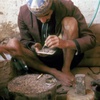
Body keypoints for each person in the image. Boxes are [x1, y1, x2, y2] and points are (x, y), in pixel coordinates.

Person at [3, 0, 96, 86]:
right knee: (13, 44)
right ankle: (54, 72)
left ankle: (66, 70)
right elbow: (24, 41)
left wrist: (65, 43)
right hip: (40, 61)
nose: (43, 20)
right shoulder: (24, 12)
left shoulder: (68, 7)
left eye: (46, 14)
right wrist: (33, 46)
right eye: (38, 17)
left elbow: (90, 39)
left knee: (70, 22)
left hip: (65, 57)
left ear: (53, 6)